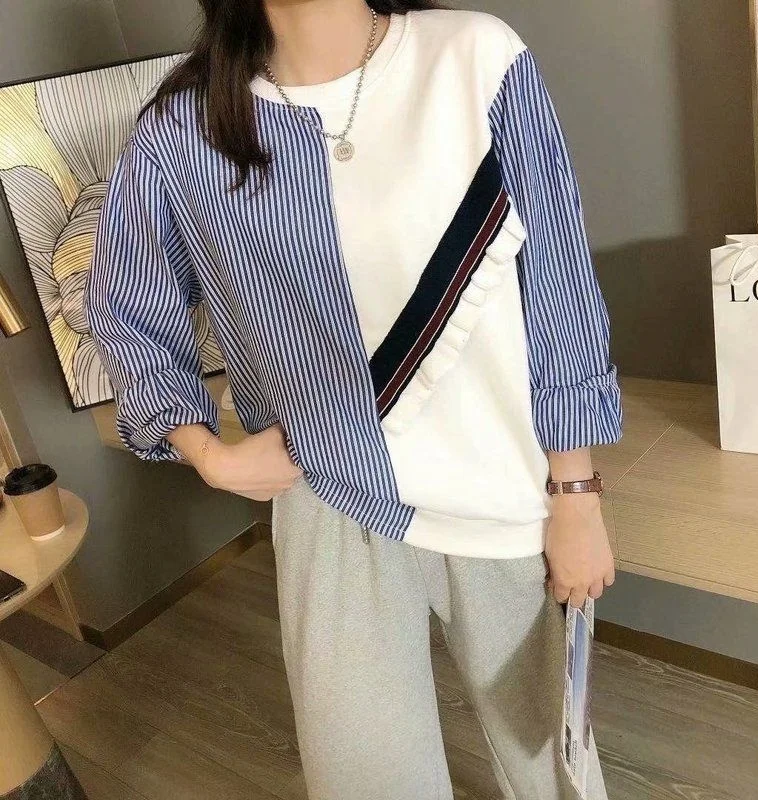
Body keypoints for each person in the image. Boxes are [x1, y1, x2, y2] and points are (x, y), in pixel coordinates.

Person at [84, 2, 623, 798]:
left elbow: (558, 283)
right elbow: (127, 309)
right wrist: (208, 455)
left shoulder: (475, 59)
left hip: (499, 489)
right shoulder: (183, 131)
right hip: (328, 499)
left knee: (552, 766)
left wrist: (575, 493)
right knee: (366, 778)